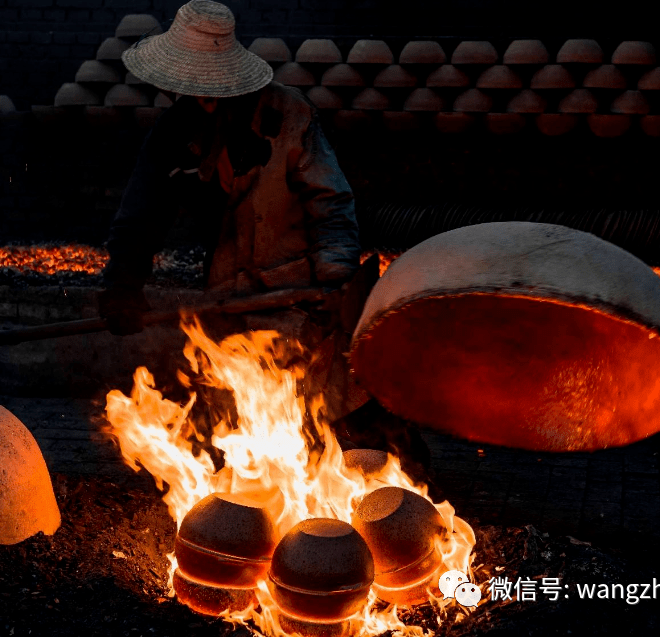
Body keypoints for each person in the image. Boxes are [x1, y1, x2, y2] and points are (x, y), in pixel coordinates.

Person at [98, 0, 431, 475]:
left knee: (348, 411)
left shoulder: (289, 114)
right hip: (232, 299)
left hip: (304, 291)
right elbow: (141, 215)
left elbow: (329, 199)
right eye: (191, 89)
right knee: (248, 427)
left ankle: (404, 492)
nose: (202, 99)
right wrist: (122, 285)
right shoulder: (175, 132)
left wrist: (335, 278)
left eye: (210, 89)